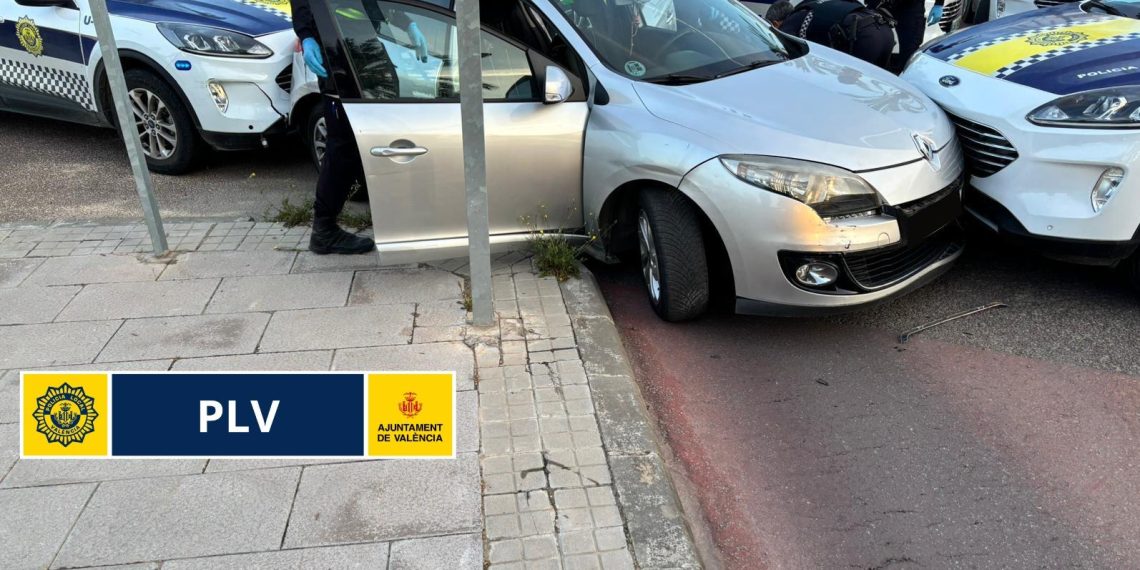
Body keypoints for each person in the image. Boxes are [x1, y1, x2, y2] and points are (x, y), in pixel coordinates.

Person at [290, 1, 427, 255]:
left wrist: (408, 23)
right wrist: (307, 35)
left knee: (381, 134)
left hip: (365, 44)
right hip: (338, 50)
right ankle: (324, 230)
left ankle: (394, 216)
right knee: (343, 146)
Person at [779, 0, 896, 70]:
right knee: (879, 82)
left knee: (852, 86)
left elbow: (784, 54)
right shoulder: (811, 6)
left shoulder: (791, 22)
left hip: (865, 37)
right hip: (885, 30)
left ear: (776, 22)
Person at [866, 0, 925, 73]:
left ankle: (902, 75)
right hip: (881, 4)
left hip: (910, 7)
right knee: (868, 36)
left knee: (909, 48)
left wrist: (938, 4)